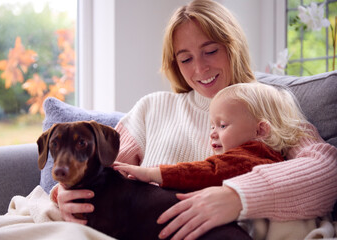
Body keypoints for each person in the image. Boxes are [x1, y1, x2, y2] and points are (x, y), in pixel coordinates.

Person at [52, 0, 337, 239]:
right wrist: (61, 197)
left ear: (232, 46)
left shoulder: (270, 102)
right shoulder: (151, 108)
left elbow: (326, 169)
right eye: (185, 59)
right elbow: (103, 168)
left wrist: (237, 197)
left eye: (210, 51)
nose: (200, 68)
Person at [112, 82, 308, 192]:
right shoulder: (264, 156)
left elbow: (209, 171)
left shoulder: (253, 156)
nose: (212, 133)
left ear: (261, 131)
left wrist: (152, 174)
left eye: (222, 125)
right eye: (212, 125)